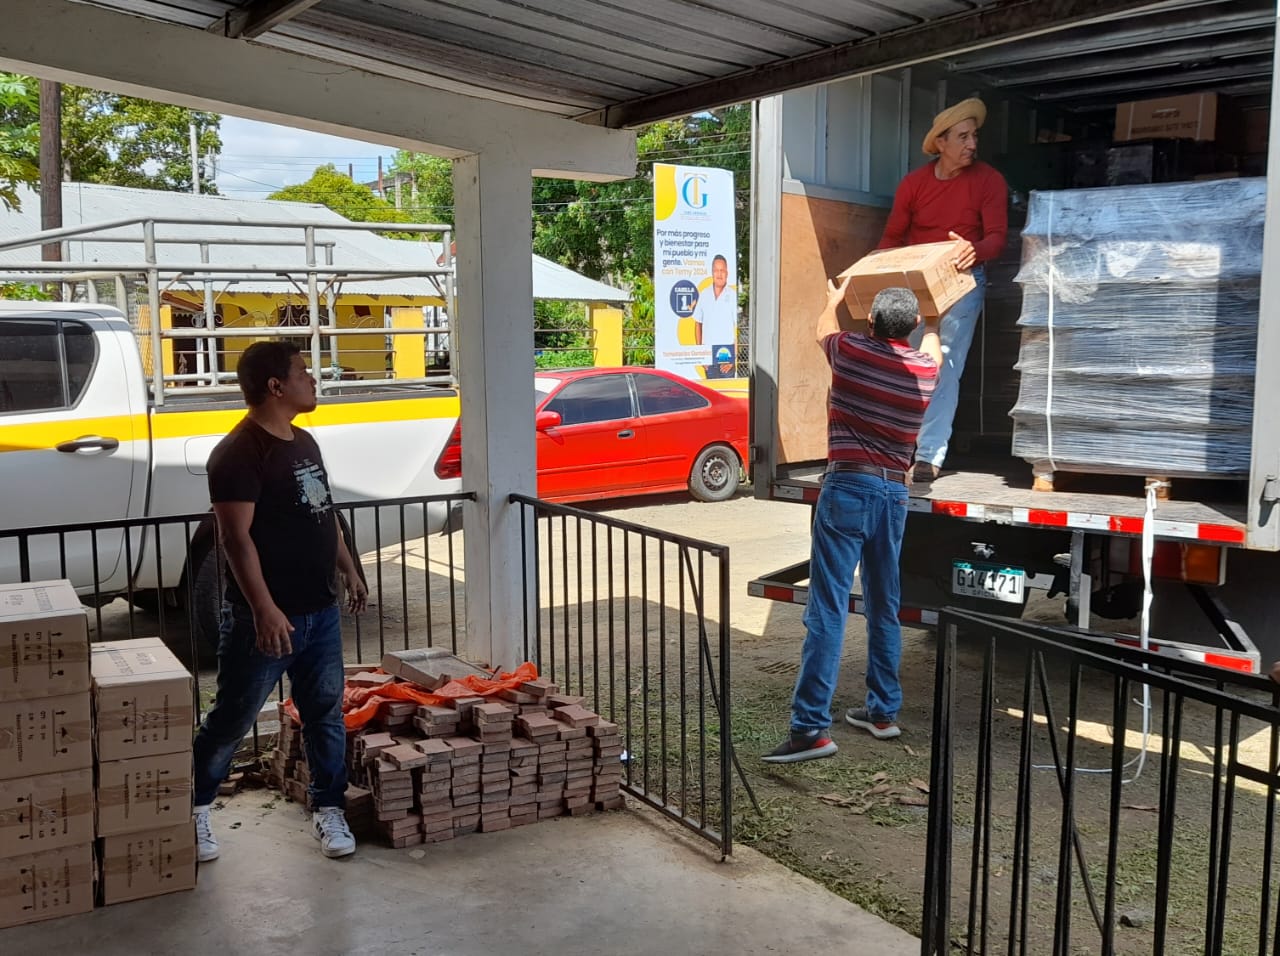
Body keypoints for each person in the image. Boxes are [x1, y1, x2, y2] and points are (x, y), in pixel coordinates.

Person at [191, 341, 368, 861]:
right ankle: (195, 807)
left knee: (325, 715)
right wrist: (264, 609)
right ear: (275, 386)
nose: (312, 380)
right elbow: (235, 540)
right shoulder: (237, 453)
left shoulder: (304, 442)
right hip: (264, 622)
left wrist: (348, 568)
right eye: (302, 372)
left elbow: (324, 512)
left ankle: (328, 807)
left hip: (321, 612)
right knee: (232, 718)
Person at [763, 281, 940, 763]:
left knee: (828, 608)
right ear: (912, 326)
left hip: (847, 487)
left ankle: (810, 729)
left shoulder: (850, 351)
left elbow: (821, 327)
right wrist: (934, 310)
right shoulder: (925, 370)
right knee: (885, 604)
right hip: (894, 494)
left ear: (871, 322)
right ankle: (882, 712)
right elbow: (935, 345)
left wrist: (833, 298)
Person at [878, 97, 1008, 483]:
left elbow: (997, 238)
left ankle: (928, 455)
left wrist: (975, 250)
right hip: (915, 282)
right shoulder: (913, 184)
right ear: (941, 142)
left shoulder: (989, 180)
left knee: (942, 367)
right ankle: (897, 451)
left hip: (962, 281)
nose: (972, 144)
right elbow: (891, 238)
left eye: (974, 136)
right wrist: (875, 277)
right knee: (902, 366)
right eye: (963, 137)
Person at [693, 254, 737, 379]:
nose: (719, 274)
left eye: (722, 270)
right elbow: (698, 324)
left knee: (727, 391)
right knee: (710, 390)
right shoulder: (704, 294)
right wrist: (701, 356)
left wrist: (733, 358)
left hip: (726, 357)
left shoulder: (733, 295)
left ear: (727, 273)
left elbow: (737, 329)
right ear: (712, 273)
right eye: (716, 270)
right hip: (709, 357)